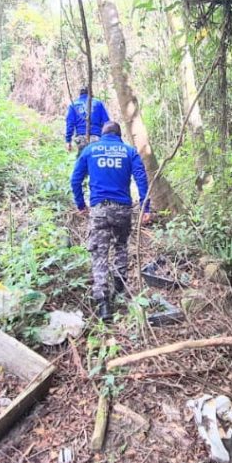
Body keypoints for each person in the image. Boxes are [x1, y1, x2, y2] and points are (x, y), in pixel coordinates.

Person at [70, 121, 151, 321]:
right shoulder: (129, 152)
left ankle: (103, 304)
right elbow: (142, 179)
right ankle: (119, 288)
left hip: (99, 210)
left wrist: (81, 204)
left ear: (103, 134)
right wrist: (145, 207)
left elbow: (75, 179)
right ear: (119, 135)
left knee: (99, 254)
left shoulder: (90, 150)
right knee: (121, 247)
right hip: (122, 209)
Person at [64, 87, 110, 155]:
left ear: (80, 94)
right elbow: (106, 122)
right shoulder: (98, 103)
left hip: (81, 137)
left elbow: (70, 124)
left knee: (82, 160)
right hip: (96, 137)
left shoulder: (74, 105)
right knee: (95, 159)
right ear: (91, 93)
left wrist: (68, 140)